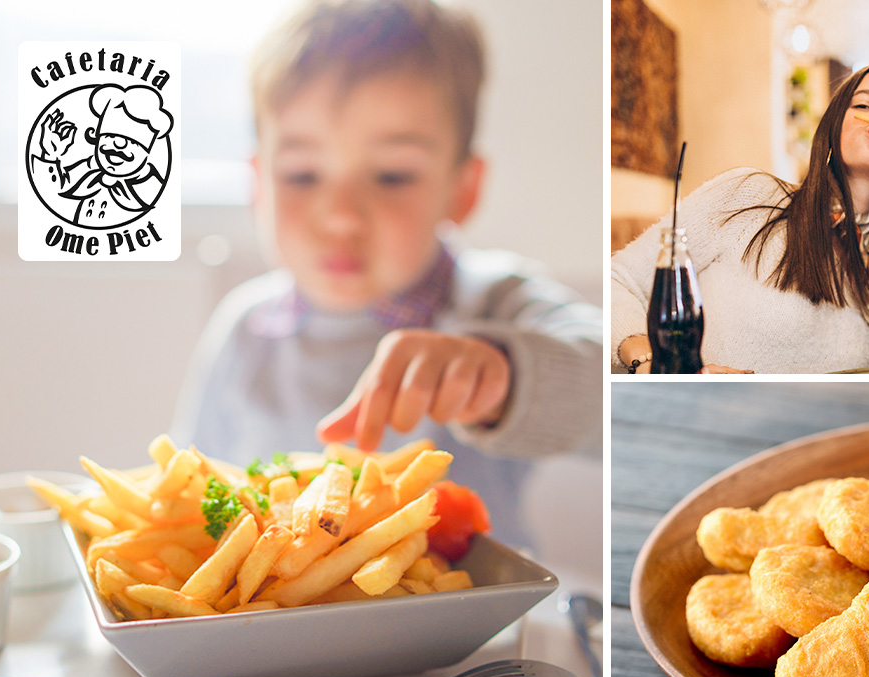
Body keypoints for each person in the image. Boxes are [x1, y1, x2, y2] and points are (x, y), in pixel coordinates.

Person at [172, 0, 602, 547]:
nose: (342, 215)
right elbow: (189, 494)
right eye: (303, 174)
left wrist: (502, 374)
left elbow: (613, 378)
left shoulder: (494, 302)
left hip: (471, 629)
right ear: (258, 184)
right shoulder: (243, 328)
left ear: (462, 188)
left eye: (393, 175)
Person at [611, 63, 869, 374]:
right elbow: (618, 281)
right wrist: (648, 361)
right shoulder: (750, 194)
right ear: (832, 127)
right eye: (864, 104)